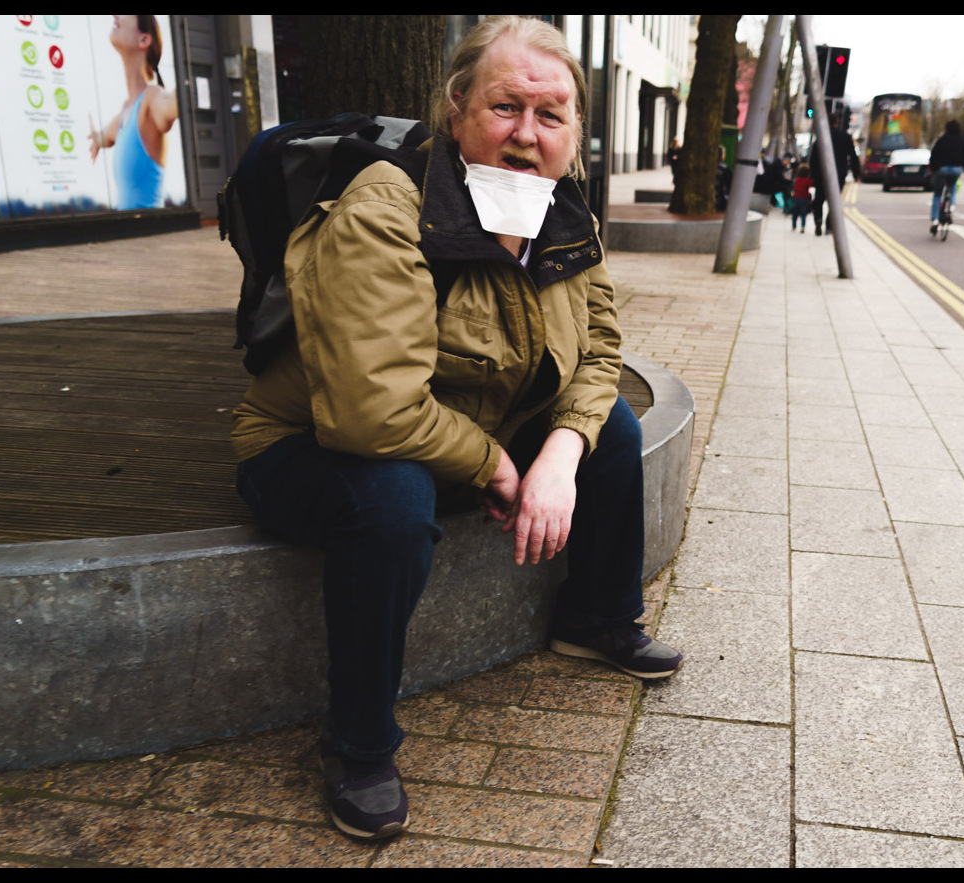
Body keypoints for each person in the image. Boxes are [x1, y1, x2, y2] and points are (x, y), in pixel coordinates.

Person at [230, 15, 682, 841]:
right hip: (317, 443)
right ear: (456, 109)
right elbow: (372, 409)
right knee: (393, 500)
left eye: (551, 116)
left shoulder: (559, 204)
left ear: (575, 132)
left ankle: (595, 616)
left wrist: (559, 452)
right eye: (506, 107)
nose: (526, 134)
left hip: (466, 421)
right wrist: (499, 468)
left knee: (606, 425)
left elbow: (603, 344)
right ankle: (358, 743)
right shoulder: (385, 208)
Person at [88, 15, 179, 210]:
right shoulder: (125, 112)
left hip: (151, 235)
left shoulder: (152, 98)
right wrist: (95, 138)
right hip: (129, 234)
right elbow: (103, 136)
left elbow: (170, 105)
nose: (115, 16)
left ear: (144, 40)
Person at [807, 112, 861, 235]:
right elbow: (853, 156)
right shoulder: (845, 137)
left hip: (821, 174)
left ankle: (818, 221)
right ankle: (829, 225)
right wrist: (856, 173)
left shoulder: (821, 137)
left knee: (819, 199)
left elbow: (813, 157)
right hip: (839, 174)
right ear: (836, 123)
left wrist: (812, 174)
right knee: (834, 200)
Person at [928, 120, 964, 234]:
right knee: (953, 187)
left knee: (937, 194)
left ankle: (935, 219)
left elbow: (934, 154)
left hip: (942, 169)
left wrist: (933, 168)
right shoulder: (962, 140)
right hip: (956, 169)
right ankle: (951, 206)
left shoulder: (942, 139)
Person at [790, 163, 813, 232]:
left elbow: (794, 188)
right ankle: (802, 227)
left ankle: (794, 225)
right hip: (804, 198)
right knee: (803, 214)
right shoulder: (807, 180)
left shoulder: (797, 179)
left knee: (795, 213)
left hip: (796, 198)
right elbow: (810, 187)